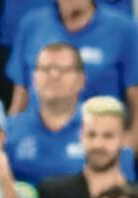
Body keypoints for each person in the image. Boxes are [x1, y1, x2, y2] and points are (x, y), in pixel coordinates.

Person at [7, 0, 138, 146]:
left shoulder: (124, 29)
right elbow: (20, 99)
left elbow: (136, 102)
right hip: (37, 143)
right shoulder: (32, 25)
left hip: (97, 146)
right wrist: (8, 142)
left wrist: (127, 152)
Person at [5, 42, 135, 188]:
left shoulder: (104, 131)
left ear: (81, 79)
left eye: (64, 69)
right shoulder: (8, 130)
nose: (54, 75)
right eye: (46, 68)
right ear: (33, 78)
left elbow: (123, 192)